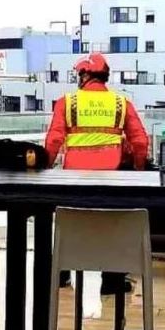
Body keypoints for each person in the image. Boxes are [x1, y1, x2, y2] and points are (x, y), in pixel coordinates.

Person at [45, 52, 150, 291]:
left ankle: (61, 274)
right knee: (114, 226)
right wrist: (139, 168)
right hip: (112, 179)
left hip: (74, 179)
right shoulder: (121, 103)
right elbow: (140, 141)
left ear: (84, 75)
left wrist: (45, 166)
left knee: (68, 224)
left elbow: (54, 139)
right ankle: (112, 280)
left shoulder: (68, 102)